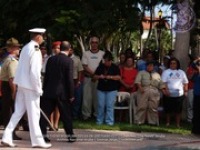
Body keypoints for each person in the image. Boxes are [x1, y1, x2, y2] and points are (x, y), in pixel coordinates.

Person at [1, 28, 51, 148]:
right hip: (30, 86)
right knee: (34, 114)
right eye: (42, 36)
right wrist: (38, 88)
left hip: (22, 85)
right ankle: (37, 141)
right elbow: (34, 72)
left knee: (18, 112)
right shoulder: (35, 50)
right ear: (38, 37)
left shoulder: (26, 48)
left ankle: (7, 136)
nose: (43, 39)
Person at [40, 41, 76, 143]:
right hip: (62, 92)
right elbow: (69, 79)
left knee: (45, 115)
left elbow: (47, 76)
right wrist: (71, 94)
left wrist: (44, 89)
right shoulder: (69, 61)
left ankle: (42, 135)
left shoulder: (51, 59)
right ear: (69, 49)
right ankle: (70, 136)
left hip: (49, 91)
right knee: (66, 115)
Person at [0, 38, 22, 140]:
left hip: (5, 86)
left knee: (7, 110)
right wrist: (14, 91)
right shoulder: (13, 61)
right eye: (17, 48)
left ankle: (9, 132)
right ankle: (10, 133)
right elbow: (12, 78)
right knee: (11, 111)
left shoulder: (7, 59)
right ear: (13, 49)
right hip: (10, 87)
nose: (19, 50)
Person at [93, 51, 121, 125]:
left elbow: (118, 77)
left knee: (109, 106)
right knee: (100, 105)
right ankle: (99, 121)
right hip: (101, 88)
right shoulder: (100, 67)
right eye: (105, 60)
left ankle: (109, 122)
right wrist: (100, 76)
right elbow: (94, 76)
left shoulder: (115, 67)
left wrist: (111, 77)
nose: (106, 62)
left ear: (110, 60)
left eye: (107, 60)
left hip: (112, 89)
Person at [135, 60, 166, 125]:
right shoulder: (141, 72)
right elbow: (137, 81)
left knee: (153, 107)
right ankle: (139, 121)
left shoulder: (157, 75)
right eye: (148, 65)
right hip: (144, 90)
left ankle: (152, 122)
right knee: (141, 106)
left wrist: (165, 92)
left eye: (151, 66)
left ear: (154, 67)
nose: (149, 67)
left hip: (154, 90)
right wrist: (140, 88)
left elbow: (161, 85)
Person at [81, 36, 104, 120]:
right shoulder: (86, 53)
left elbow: (104, 66)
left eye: (96, 42)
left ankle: (97, 115)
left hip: (98, 79)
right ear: (90, 43)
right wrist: (93, 74)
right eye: (92, 42)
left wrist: (96, 75)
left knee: (97, 98)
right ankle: (86, 115)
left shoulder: (102, 53)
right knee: (86, 98)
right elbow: (84, 66)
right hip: (88, 78)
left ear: (98, 44)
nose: (94, 44)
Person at [161, 57, 188, 128]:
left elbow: (185, 82)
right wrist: (166, 91)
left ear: (177, 64)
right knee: (168, 110)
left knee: (178, 110)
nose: (172, 65)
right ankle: (168, 123)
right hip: (168, 94)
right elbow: (164, 83)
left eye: (174, 63)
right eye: (171, 63)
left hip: (179, 94)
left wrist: (185, 91)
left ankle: (178, 124)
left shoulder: (181, 72)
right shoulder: (166, 72)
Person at [68, 46, 84, 120]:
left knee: (77, 99)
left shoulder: (77, 59)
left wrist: (79, 81)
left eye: (70, 50)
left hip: (75, 80)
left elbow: (80, 71)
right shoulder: (65, 58)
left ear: (72, 50)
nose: (69, 51)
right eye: (68, 50)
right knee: (68, 99)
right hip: (67, 81)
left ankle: (75, 115)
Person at [49, 41, 61, 131]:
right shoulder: (49, 59)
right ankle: (51, 123)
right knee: (50, 105)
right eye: (56, 48)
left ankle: (56, 123)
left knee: (58, 105)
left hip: (60, 84)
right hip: (51, 83)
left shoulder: (63, 59)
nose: (57, 50)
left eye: (59, 48)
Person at [191, 58, 200, 135]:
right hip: (197, 95)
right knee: (196, 113)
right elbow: (193, 64)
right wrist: (198, 59)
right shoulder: (196, 74)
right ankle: (195, 130)